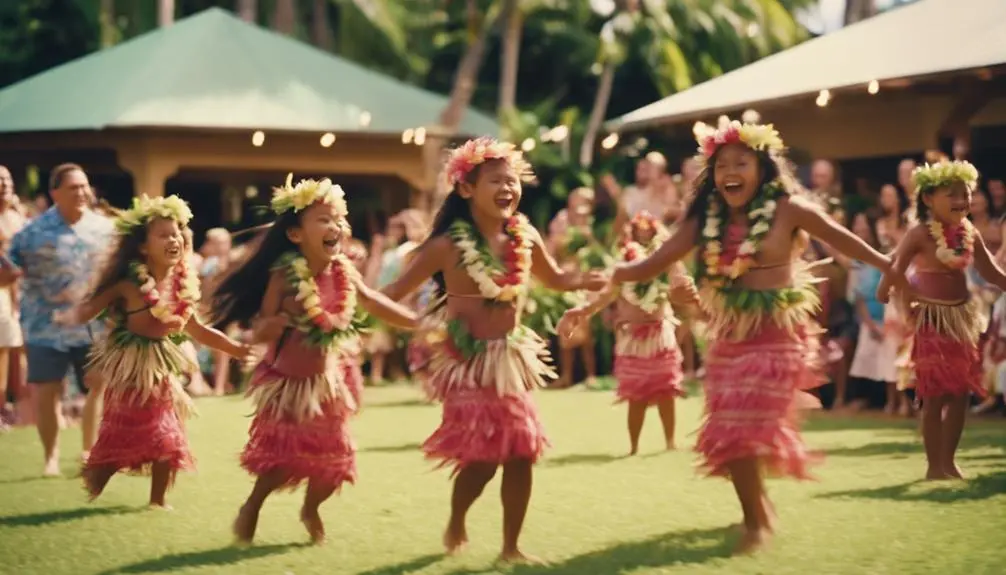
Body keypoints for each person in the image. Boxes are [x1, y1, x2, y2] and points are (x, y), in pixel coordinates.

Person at [579, 117, 900, 554]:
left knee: (750, 427)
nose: (730, 172)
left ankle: (756, 516)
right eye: (721, 165)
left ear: (763, 168)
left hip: (777, 335)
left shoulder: (788, 208)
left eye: (741, 163)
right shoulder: (705, 219)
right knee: (731, 429)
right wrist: (608, 279)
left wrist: (890, 267)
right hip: (731, 335)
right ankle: (755, 518)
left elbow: (843, 240)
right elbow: (655, 262)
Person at [379, 137, 606, 563]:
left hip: (510, 359)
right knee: (483, 458)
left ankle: (510, 547)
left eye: (512, 180)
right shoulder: (447, 246)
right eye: (496, 180)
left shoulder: (525, 236)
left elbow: (555, 279)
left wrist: (586, 280)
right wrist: (394, 316)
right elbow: (393, 292)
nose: (507, 187)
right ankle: (457, 518)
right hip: (467, 362)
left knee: (522, 452)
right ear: (467, 189)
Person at [211, 175, 417, 545]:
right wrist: (270, 326)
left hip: (327, 387)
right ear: (295, 234)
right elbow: (260, 329)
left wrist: (417, 322)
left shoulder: (343, 271)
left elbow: (373, 301)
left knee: (335, 466)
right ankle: (252, 505)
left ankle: (310, 509)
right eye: (323, 219)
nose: (335, 226)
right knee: (282, 462)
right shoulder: (284, 276)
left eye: (338, 218)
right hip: (290, 387)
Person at [54, 196, 249, 506]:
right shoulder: (130, 285)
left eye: (177, 233)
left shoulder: (182, 287)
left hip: (161, 370)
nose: (174, 239)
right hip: (131, 369)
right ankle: (96, 476)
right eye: (164, 235)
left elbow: (198, 330)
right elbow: (89, 309)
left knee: (167, 436)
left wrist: (235, 348)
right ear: (143, 247)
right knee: (122, 438)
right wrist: (64, 316)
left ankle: (157, 501)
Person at [877, 160, 1006, 480]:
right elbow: (895, 265)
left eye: (966, 193)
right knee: (934, 394)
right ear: (928, 199)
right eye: (952, 194)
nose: (961, 200)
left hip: (961, 319)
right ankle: (934, 465)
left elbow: (990, 272)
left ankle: (949, 461)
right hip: (931, 320)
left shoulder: (969, 233)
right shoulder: (920, 233)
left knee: (960, 393)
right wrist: (886, 291)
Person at [0, 163, 115, 476]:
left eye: (84, 186)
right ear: (55, 193)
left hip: (93, 327)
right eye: (73, 187)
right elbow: (6, 271)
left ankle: (89, 451)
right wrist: (8, 274)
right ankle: (50, 456)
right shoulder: (32, 232)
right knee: (47, 392)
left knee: (97, 385)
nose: (82, 192)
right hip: (45, 327)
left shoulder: (106, 229)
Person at [559, 211, 698, 454]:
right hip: (633, 337)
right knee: (636, 395)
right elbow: (607, 295)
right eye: (638, 229)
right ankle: (634, 447)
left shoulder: (666, 260)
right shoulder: (623, 263)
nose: (643, 233)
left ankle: (670, 442)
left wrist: (692, 298)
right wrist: (585, 310)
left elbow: (681, 286)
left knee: (666, 390)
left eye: (648, 229)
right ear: (631, 234)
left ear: (656, 232)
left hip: (660, 335)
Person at [0, 165, 25, 430]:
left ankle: (10, 407)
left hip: (17, 295)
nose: (4, 184)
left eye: (7, 179)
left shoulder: (17, 219)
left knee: (10, 350)